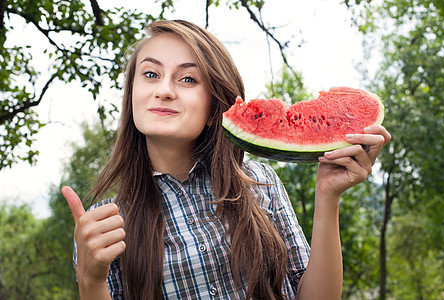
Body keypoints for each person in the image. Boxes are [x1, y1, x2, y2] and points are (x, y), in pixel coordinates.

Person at [62, 19, 391, 300]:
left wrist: (327, 196)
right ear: (132, 95)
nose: (163, 90)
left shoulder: (261, 184)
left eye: (188, 79)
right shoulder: (102, 226)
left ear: (213, 110)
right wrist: (91, 281)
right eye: (150, 74)